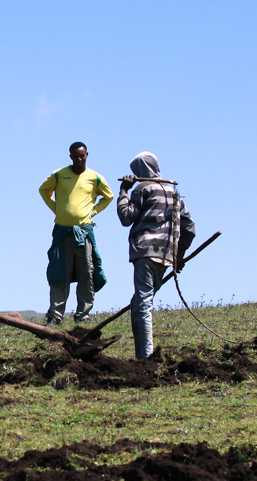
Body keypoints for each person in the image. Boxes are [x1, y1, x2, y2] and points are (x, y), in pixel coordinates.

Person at [116, 151, 195, 360]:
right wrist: (178, 255)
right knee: (141, 302)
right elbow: (189, 228)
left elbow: (126, 217)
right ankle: (141, 354)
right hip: (166, 255)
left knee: (142, 303)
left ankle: (145, 357)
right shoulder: (174, 192)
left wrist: (124, 190)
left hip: (145, 251)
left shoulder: (142, 188)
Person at [39, 142, 113, 325]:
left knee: (86, 273)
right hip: (62, 232)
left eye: (82, 156)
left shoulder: (95, 177)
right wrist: (56, 209)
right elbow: (43, 190)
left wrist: (93, 212)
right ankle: (55, 316)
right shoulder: (59, 174)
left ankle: (83, 315)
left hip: (84, 233)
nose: (79, 159)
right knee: (58, 273)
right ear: (70, 156)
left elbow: (109, 196)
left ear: (87, 155)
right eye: (75, 156)